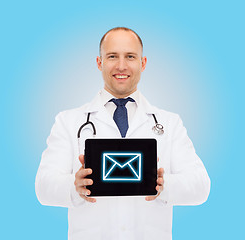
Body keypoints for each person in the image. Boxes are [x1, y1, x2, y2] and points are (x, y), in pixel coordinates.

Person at [35, 27, 210, 240]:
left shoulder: (169, 123)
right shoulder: (68, 121)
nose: (121, 65)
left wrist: (164, 185)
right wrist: (74, 186)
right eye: (112, 56)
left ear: (143, 63)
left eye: (130, 56)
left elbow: (201, 186)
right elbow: (42, 187)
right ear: (99, 63)